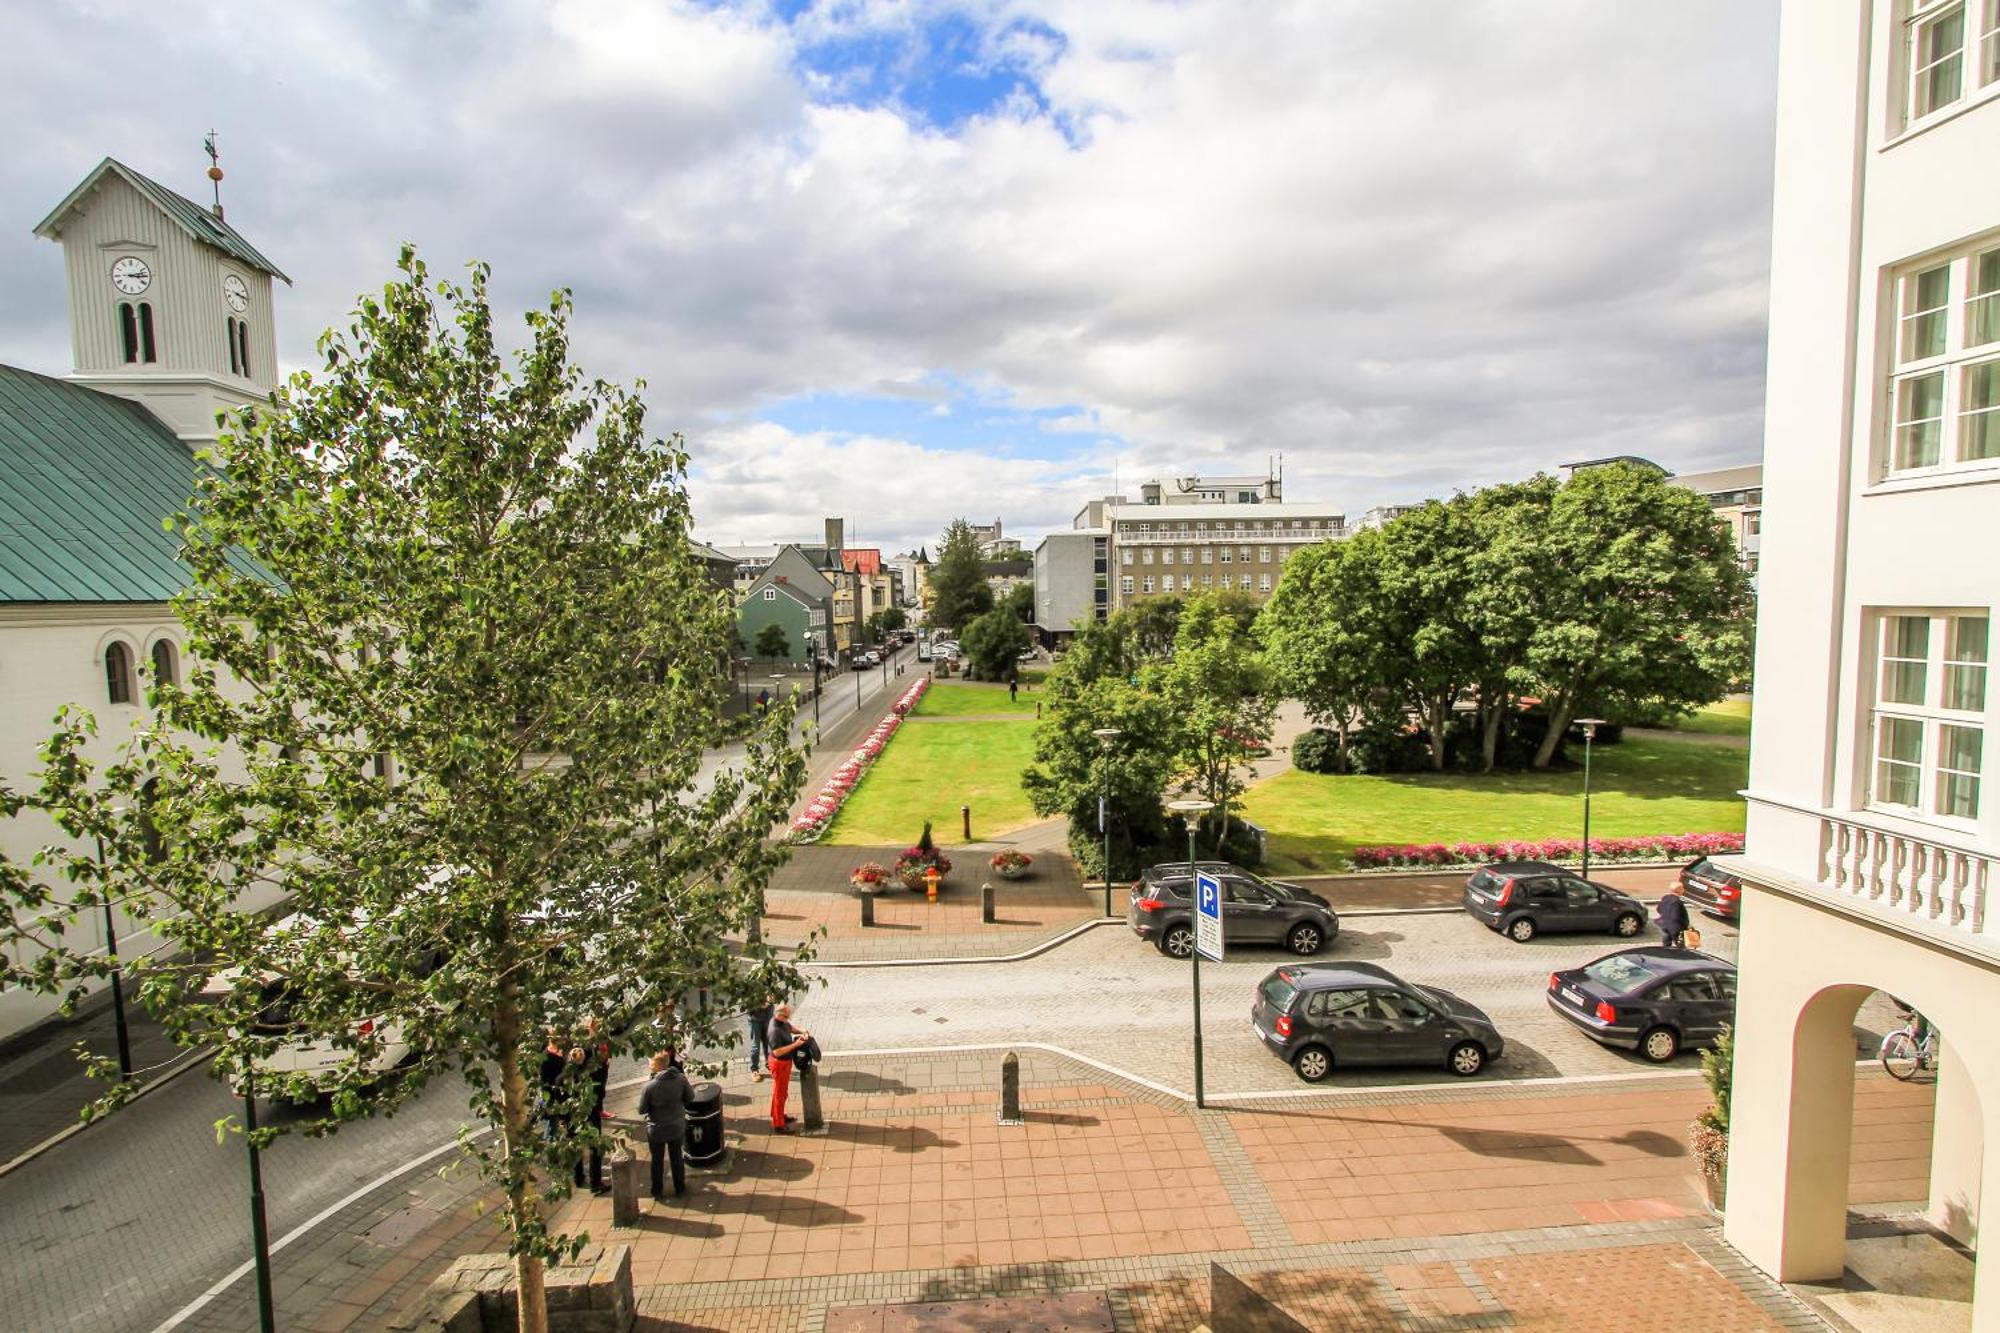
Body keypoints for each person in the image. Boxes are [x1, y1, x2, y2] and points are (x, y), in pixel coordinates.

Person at [637, 1049, 695, 1201]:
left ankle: (657, 1191)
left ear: (657, 1065)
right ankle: (680, 1188)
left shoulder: (649, 1087)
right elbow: (690, 1097)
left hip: (656, 1129)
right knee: (677, 1157)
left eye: (651, 1062)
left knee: (657, 1160)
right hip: (676, 1125)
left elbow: (642, 1109)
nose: (649, 1064)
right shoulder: (680, 1079)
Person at [766, 1002, 810, 1133]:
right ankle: (778, 1125)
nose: (788, 1020)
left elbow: (790, 1027)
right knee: (780, 1094)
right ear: (780, 1015)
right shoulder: (774, 1031)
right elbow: (777, 1052)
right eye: (786, 1017)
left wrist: (802, 1031)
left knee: (781, 1093)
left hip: (784, 1063)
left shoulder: (781, 1022)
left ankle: (777, 1115)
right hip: (779, 1064)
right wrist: (795, 1045)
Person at [1656, 881, 1690, 949]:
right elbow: (1677, 916)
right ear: (1679, 890)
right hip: (1675, 928)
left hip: (1663, 925)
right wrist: (1686, 926)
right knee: (1681, 947)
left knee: (1666, 945)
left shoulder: (1665, 897)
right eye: (1683, 888)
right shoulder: (1677, 902)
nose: (1684, 890)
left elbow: (1659, 909)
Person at [747, 998, 774, 1082]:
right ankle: (754, 1070)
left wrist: (771, 999)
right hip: (755, 1019)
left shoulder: (769, 985)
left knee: (768, 1043)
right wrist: (759, 1005)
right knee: (756, 1045)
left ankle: (769, 1064)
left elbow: (775, 995)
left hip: (767, 1017)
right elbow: (745, 1002)